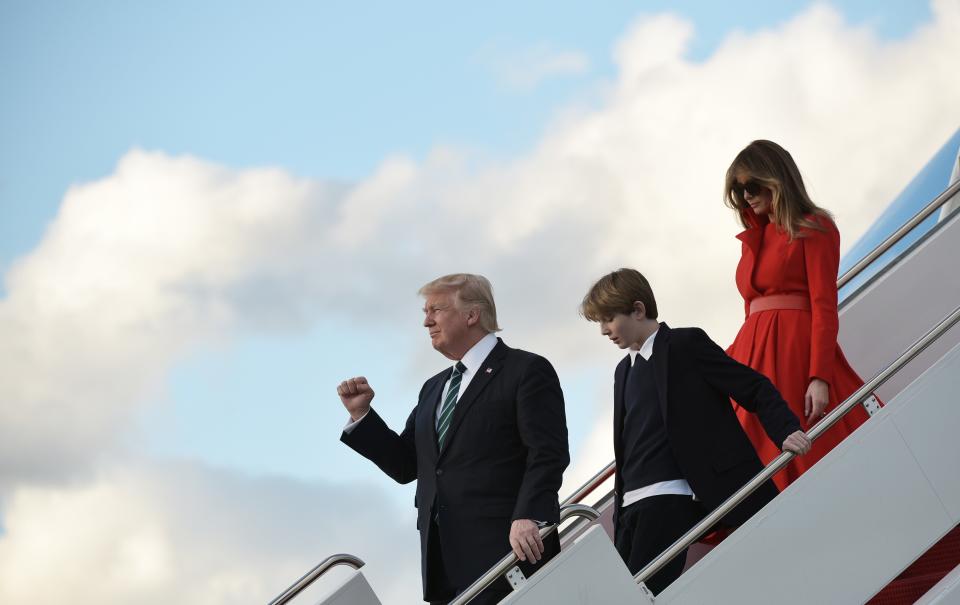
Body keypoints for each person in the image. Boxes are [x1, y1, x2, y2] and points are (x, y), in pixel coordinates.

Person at [338, 273, 569, 604]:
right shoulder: (434, 388)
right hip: (444, 568)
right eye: (424, 312)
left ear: (472, 315)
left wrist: (529, 514)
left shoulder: (525, 370)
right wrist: (362, 416)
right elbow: (407, 465)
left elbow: (547, 453)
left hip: (509, 552)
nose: (427, 322)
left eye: (436, 310)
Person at [581, 268, 811, 595]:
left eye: (608, 319)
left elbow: (754, 387)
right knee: (622, 595)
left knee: (641, 593)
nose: (604, 330)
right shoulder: (623, 371)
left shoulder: (685, 344)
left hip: (670, 496)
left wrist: (786, 429)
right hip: (630, 508)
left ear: (638, 309)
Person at [724, 139, 873, 491]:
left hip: (793, 351)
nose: (746, 196)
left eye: (753, 186)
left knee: (801, 442)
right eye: (738, 190)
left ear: (776, 178)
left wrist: (818, 375)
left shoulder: (814, 226)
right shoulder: (755, 238)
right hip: (754, 352)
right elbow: (751, 311)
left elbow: (824, 304)